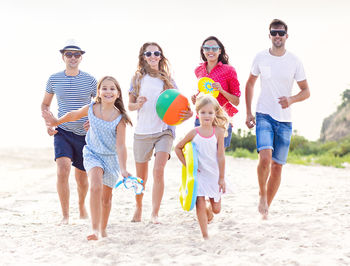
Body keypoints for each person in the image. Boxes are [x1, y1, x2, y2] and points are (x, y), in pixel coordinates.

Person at [43, 76, 132, 240]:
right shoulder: (92, 108)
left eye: (112, 88)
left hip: (110, 158)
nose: (108, 91)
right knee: (95, 186)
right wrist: (57, 121)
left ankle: (103, 228)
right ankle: (94, 229)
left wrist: (124, 168)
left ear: (118, 94)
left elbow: (120, 146)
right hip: (92, 153)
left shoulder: (121, 119)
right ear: (98, 92)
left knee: (106, 199)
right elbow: (73, 115)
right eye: (104, 88)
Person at [245, 19, 310, 219]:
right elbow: (249, 85)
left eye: (281, 33)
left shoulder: (294, 61)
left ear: (286, 36)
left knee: (277, 166)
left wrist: (291, 99)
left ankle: (266, 208)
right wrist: (248, 113)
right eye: (274, 32)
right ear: (270, 35)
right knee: (264, 158)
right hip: (264, 114)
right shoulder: (260, 58)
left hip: (285, 120)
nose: (278, 36)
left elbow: (306, 91)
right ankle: (262, 195)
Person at [128, 42, 193, 224]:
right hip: (142, 132)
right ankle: (139, 207)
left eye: (156, 53)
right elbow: (129, 106)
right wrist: (138, 104)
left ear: (161, 56)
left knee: (158, 171)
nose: (153, 56)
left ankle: (155, 213)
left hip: (164, 131)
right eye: (149, 54)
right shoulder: (137, 79)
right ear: (143, 57)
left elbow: (181, 107)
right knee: (141, 177)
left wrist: (188, 115)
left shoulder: (168, 80)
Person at [41, 39, 97, 224]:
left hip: (84, 135)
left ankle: (82, 207)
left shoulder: (90, 80)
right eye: (69, 54)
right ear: (63, 57)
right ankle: (65, 215)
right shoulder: (54, 79)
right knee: (62, 169)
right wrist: (48, 124)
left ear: (81, 58)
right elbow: (45, 105)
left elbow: (99, 106)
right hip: (62, 132)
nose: (73, 58)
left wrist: (92, 123)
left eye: (77, 54)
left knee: (81, 178)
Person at [175, 95, 227, 239]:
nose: (206, 115)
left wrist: (222, 178)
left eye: (210, 112)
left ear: (215, 113)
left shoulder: (219, 132)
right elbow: (178, 148)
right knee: (199, 203)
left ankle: (209, 211)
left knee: (216, 210)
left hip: (214, 174)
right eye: (203, 112)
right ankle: (205, 236)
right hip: (199, 175)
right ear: (197, 113)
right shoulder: (194, 133)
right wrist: (188, 165)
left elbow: (221, 156)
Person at [192, 36, 241, 149]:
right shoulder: (198, 70)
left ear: (220, 51)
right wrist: (196, 98)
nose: (210, 51)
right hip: (202, 117)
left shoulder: (229, 70)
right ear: (203, 50)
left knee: (217, 158)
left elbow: (236, 101)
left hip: (221, 119)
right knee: (200, 156)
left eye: (214, 48)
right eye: (207, 48)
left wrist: (222, 91)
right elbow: (203, 92)